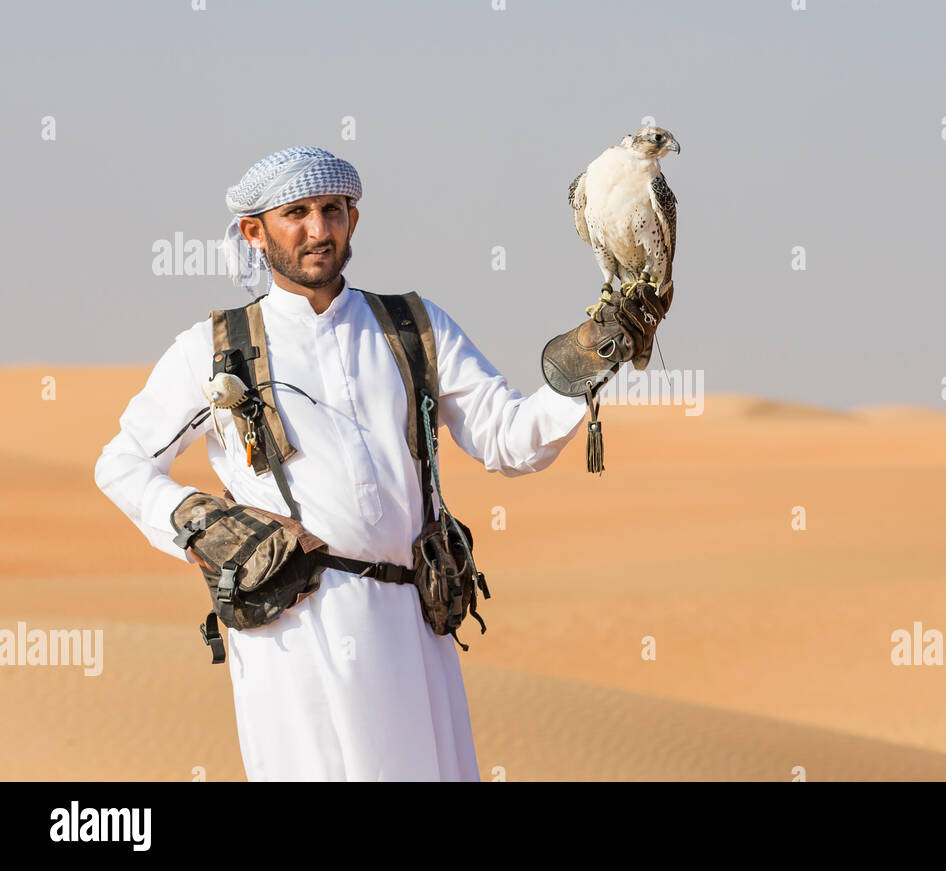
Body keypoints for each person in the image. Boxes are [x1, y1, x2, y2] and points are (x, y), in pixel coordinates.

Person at [93, 146, 591, 781]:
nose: (319, 231)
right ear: (254, 231)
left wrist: (596, 353)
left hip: (414, 629)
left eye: (333, 210)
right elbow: (123, 462)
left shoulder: (411, 327)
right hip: (293, 633)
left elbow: (512, 440)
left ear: (354, 218)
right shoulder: (217, 351)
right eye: (296, 213)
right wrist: (203, 530)